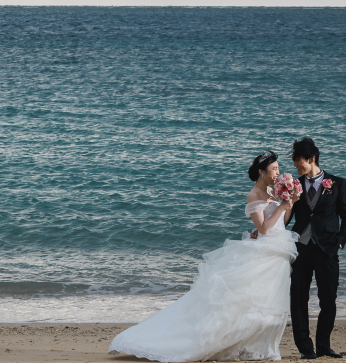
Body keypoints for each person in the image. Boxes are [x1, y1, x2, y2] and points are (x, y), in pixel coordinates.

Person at [108, 151, 299, 362]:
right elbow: (263, 228)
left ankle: (255, 346)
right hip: (265, 250)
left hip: (278, 249)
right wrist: (281, 207)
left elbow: (281, 220)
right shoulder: (254, 195)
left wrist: (289, 203)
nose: (278, 173)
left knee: (268, 305)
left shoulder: (273, 191)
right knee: (247, 304)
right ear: (261, 172)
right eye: (274, 169)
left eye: (278, 169)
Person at [286, 138, 346, 360]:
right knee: (298, 299)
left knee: (328, 300)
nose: (296, 167)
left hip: (327, 250)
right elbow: (284, 217)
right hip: (301, 249)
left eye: (299, 162)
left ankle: (324, 345)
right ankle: (306, 349)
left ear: (311, 159)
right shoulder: (294, 185)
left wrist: (340, 241)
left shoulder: (338, 183)